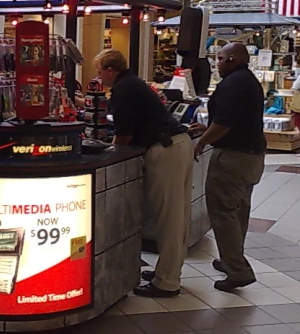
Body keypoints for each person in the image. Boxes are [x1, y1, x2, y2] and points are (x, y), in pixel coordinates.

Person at [94, 49, 192, 298]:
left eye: (99, 71)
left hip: (164, 149)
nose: (98, 77)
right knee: (178, 216)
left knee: (168, 219)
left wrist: (111, 151)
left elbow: (124, 134)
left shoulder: (122, 89)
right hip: (179, 143)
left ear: (110, 70)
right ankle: (169, 271)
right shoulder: (134, 83)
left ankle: (167, 281)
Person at [194, 43, 266, 292]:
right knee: (238, 211)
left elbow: (224, 123)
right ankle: (231, 260)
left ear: (232, 59)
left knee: (223, 212)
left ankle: (238, 270)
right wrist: (208, 130)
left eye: (220, 58)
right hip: (253, 156)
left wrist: (202, 141)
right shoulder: (248, 80)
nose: (216, 62)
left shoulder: (233, 84)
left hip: (233, 158)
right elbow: (235, 120)